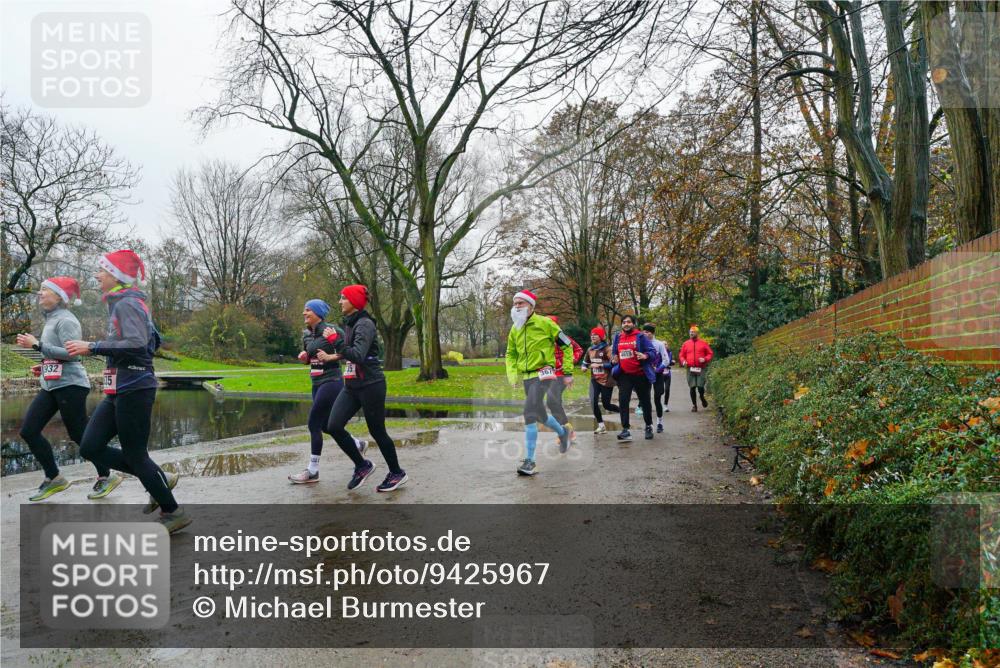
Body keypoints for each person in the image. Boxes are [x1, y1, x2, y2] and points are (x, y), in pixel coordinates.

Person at [66, 250, 190, 533]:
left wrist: (93, 346)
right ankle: (160, 477)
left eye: (102, 271)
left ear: (116, 275)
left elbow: (137, 343)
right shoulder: (121, 302)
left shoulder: (128, 303)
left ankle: (173, 511)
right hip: (119, 387)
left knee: (135, 455)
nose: (97, 276)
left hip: (134, 387)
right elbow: (152, 339)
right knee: (90, 446)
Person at [16, 277, 123, 501]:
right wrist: (44, 364)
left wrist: (37, 345)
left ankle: (106, 476)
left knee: (79, 434)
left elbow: (73, 353)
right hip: (52, 384)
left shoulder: (67, 320)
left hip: (71, 385)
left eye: (45, 290)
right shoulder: (52, 319)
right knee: (28, 430)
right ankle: (54, 477)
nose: (40, 293)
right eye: (41, 290)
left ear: (59, 297)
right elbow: (58, 354)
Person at [319, 285, 407, 492]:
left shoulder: (365, 324)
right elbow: (351, 353)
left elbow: (358, 354)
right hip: (352, 385)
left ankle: (396, 472)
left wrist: (336, 341)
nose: (339, 302)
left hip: (371, 385)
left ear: (354, 302)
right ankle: (362, 465)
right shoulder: (351, 323)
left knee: (377, 432)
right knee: (332, 426)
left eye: (343, 298)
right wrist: (335, 355)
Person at [287, 299, 367, 484]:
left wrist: (331, 356)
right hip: (316, 382)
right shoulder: (307, 335)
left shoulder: (332, 331)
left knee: (313, 423)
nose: (304, 313)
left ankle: (313, 470)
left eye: (308, 310)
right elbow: (311, 357)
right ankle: (357, 443)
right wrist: (305, 357)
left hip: (332, 381)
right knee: (325, 425)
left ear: (318, 313)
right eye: (304, 310)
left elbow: (350, 351)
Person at [505, 290, 573, 475]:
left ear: (531, 306)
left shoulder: (546, 323)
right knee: (540, 414)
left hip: (544, 374)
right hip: (527, 376)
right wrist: (512, 374)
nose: (517, 306)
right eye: (515, 303)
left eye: (521, 303)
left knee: (529, 413)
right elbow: (510, 353)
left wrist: (567, 372)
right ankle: (562, 433)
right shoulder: (515, 327)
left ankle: (530, 461)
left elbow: (567, 345)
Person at [611, 315, 657, 441]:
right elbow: (615, 353)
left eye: (629, 322)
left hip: (640, 374)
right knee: (623, 401)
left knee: (645, 401)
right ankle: (625, 429)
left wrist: (645, 355)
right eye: (624, 322)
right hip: (624, 375)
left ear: (633, 324)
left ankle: (648, 426)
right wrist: (614, 358)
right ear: (621, 324)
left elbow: (653, 352)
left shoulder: (640, 336)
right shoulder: (618, 337)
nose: (626, 324)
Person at [545, 315, 583, 448]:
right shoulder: (542, 340)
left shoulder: (562, 337)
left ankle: (566, 431)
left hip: (561, 374)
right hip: (547, 375)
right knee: (555, 404)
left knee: (551, 401)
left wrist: (570, 361)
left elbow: (578, 349)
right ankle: (566, 431)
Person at [582, 326, 618, 434]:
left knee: (606, 405)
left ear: (601, 337)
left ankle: (623, 411)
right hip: (595, 379)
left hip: (607, 380)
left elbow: (613, 363)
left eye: (595, 334)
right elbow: (585, 362)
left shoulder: (607, 349)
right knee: (593, 402)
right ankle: (601, 425)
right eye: (591, 334)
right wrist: (584, 366)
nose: (592, 336)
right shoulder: (590, 349)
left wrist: (600, 364)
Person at [641, 323, 673, 433]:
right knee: (646, 399)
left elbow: (666, 360)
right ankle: (648, 424)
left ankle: (659, 422)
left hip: (658, 374)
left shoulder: (659, 344)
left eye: (648, 332)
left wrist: (658, 369)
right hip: (645, 374)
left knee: (657, 398)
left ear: (652, 333)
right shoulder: (641, 344)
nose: (645, 334)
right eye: (644, 331)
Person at [678, 325, 714, 412]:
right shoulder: (686, 344)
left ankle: (702, 397)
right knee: (692, 387)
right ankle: (694, 405)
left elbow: (710, 353)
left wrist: (705, 359)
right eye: (690, 332)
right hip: (690, 368)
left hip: (701, 368)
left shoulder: (703, 343)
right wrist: (683, 361)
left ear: (697, 333)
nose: (691, 333)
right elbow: (681, 355)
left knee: (700, 387)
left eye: (693, 332)